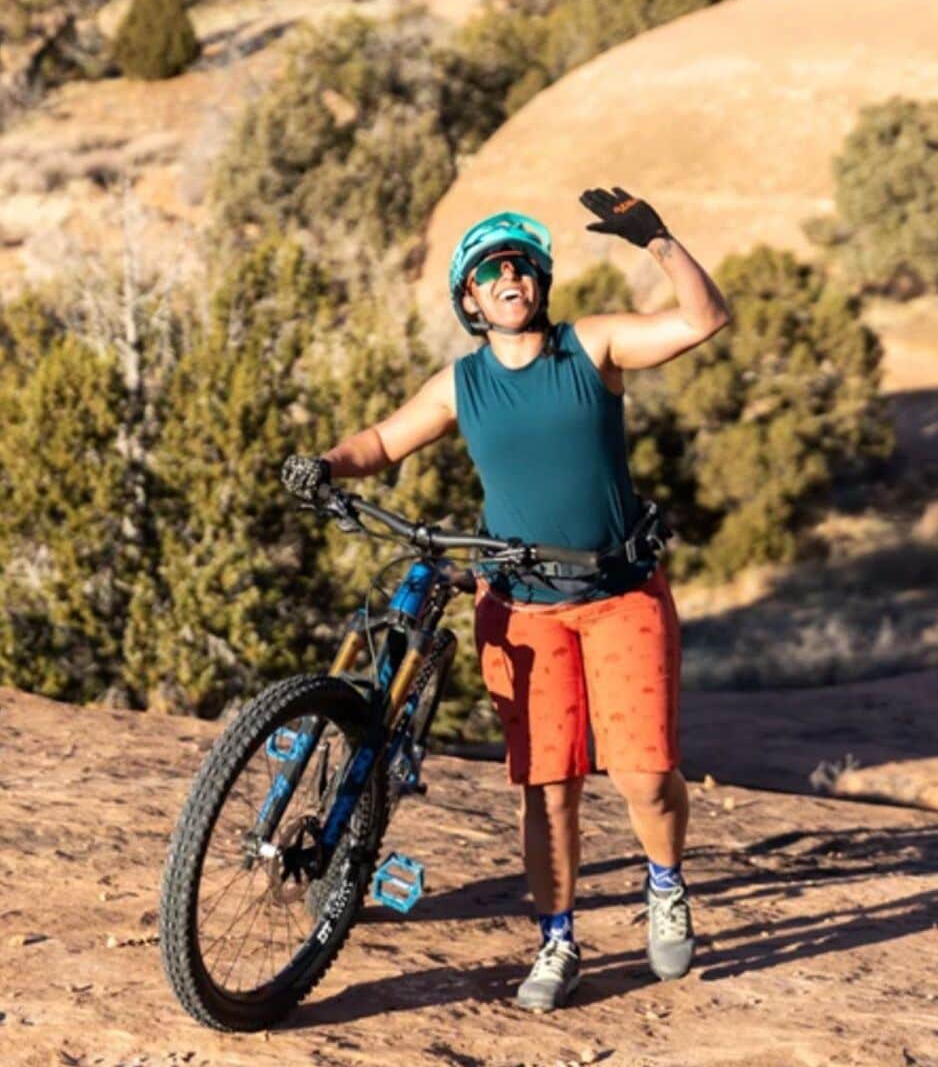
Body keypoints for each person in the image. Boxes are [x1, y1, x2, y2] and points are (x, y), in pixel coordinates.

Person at [281, 186, 731, 1012]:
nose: (509, 279)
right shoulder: (463, 384)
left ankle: (665, 882)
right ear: (470, 300)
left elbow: (703, 321)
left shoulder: (590, 347)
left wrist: (659, 241)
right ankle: (558, 940)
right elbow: (381, 442)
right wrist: (326, 464)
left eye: (520, 267)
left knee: (644, 776)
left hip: (620, 594)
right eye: (489, 273)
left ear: (540, 283)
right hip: (521, 609)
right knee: (547, 788)